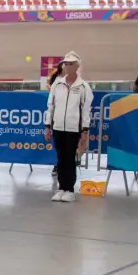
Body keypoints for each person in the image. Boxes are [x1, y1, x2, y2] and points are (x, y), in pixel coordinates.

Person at [45, 51, 92, 203]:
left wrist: (84, 130)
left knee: (70, 159)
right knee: (60, 159)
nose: (68, 66)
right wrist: (47, 125)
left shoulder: (84, 87)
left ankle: (70, 189)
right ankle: (61, 188)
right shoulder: (57, 84)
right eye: (66, 63)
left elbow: (86, 111)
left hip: (74, 129)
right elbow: (50, 106)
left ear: (77, 66)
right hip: (58, 127)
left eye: (71, 64)